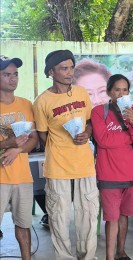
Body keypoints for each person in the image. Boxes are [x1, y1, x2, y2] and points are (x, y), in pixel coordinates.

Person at [33, 50, 99, 260]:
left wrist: (86, 134)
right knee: (59, 217)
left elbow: (89, 122)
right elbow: (43, 135)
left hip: (85, 164)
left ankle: (87, 257)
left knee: (87, 215)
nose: (69, 72)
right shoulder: (42, 101)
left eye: (71, 67)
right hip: (58, 165)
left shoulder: (81, 93)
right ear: (51, 71)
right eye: (64, 68)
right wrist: (63, 144)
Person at [91, 74, 133, 260]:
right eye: (117, 90)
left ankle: (121, 252)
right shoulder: (99, 111)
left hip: (132, 174)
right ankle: (109, 257)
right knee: (111, 217)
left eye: (125, 90)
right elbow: (103, 140)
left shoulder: (132, 111)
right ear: (109, 92)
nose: (121, 93)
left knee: (125, 216)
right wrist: (128, 136)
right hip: (109, 174)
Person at [0, 55, 38, 260]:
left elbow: (33, 139)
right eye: (6, 74)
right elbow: (13, 141)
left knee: (24, 225)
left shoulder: (26, 104)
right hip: (0, 178)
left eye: (15, 74)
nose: (13, 79)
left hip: (23, 176)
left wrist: (17, 150)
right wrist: (9, 144)